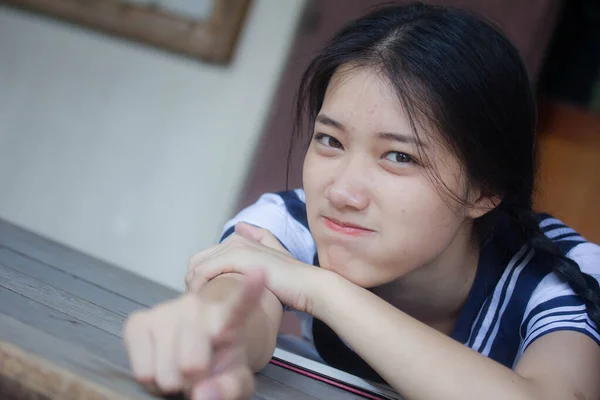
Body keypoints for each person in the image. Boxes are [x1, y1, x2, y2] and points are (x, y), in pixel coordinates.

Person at [123, 3, 600, 400]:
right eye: (330, 141)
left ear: (484, 189)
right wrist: (212, 341)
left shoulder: (563, 273)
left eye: (398, 156)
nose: (342, 193)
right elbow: (240, 310)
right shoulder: (286, 221)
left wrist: (321, 291)